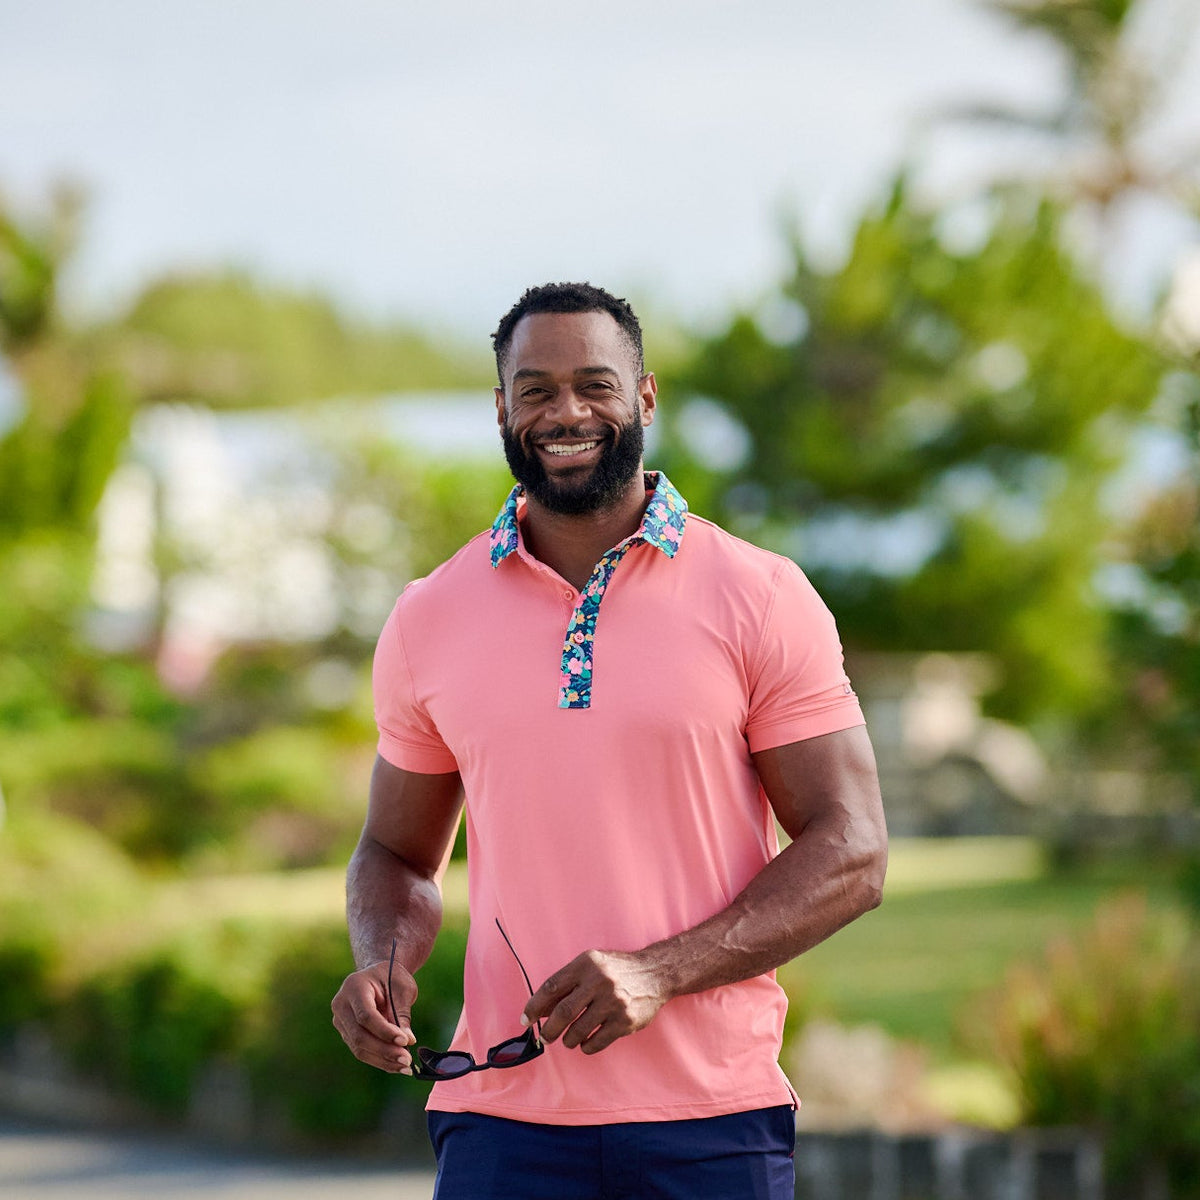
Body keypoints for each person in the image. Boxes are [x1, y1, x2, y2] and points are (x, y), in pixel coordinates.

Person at [332, 281, 888, 1199]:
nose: (567, 412)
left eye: (595, 383)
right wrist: (381, 961)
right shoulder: (429, 615)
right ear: (502, 408)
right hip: (500, 1125)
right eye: (536, 390)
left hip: (711, 1122)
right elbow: (395, 850)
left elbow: (853, 850)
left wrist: (659, 973)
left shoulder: (759, 594)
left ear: (645, 398)